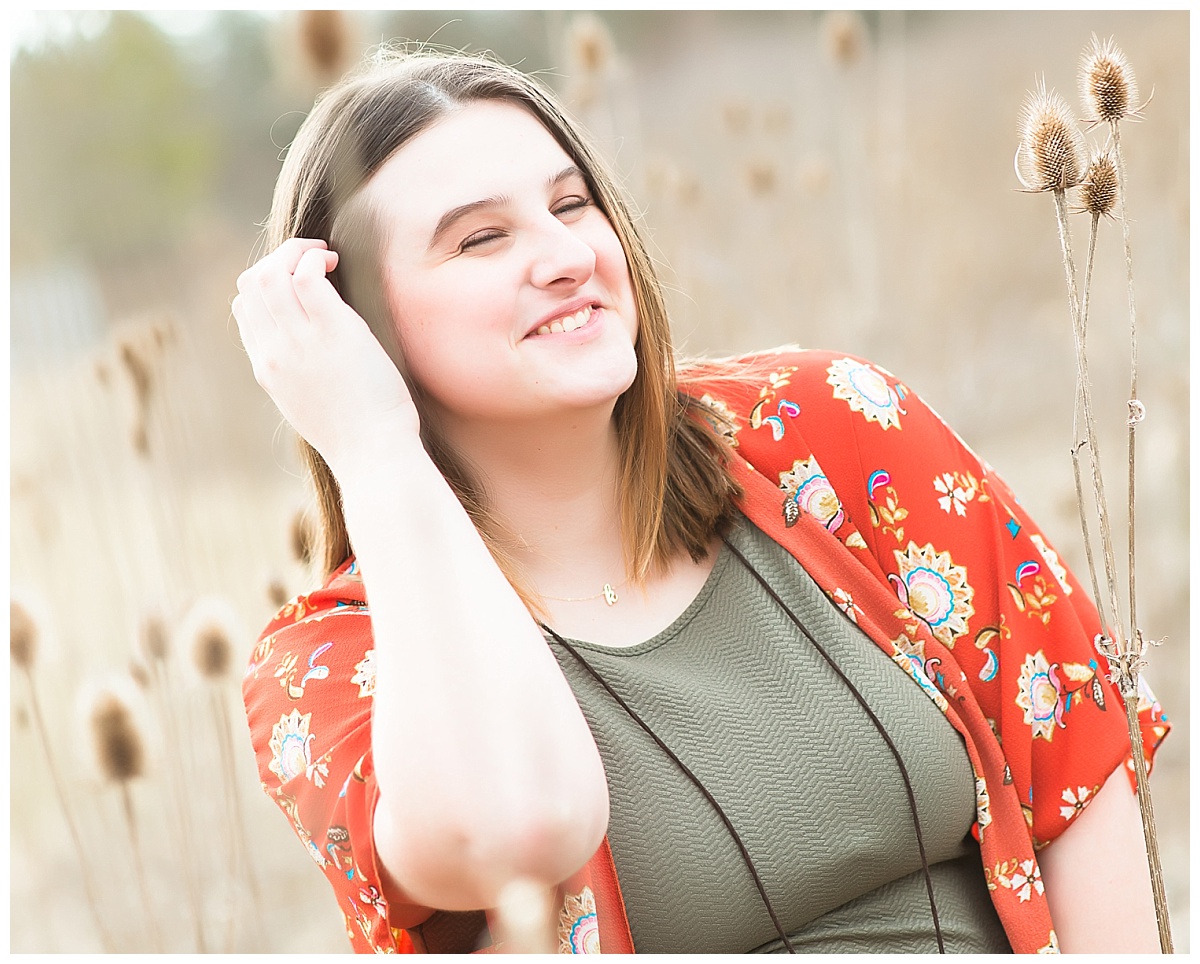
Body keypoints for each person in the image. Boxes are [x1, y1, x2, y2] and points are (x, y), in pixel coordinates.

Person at [234, 49, 1169, 954]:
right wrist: (374, 451)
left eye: (572, 204)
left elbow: (1075, 774)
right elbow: (517, 832)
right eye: (482, 238)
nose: (566, 256)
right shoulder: (332, 669)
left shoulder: (828, 427)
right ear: (354, 326)